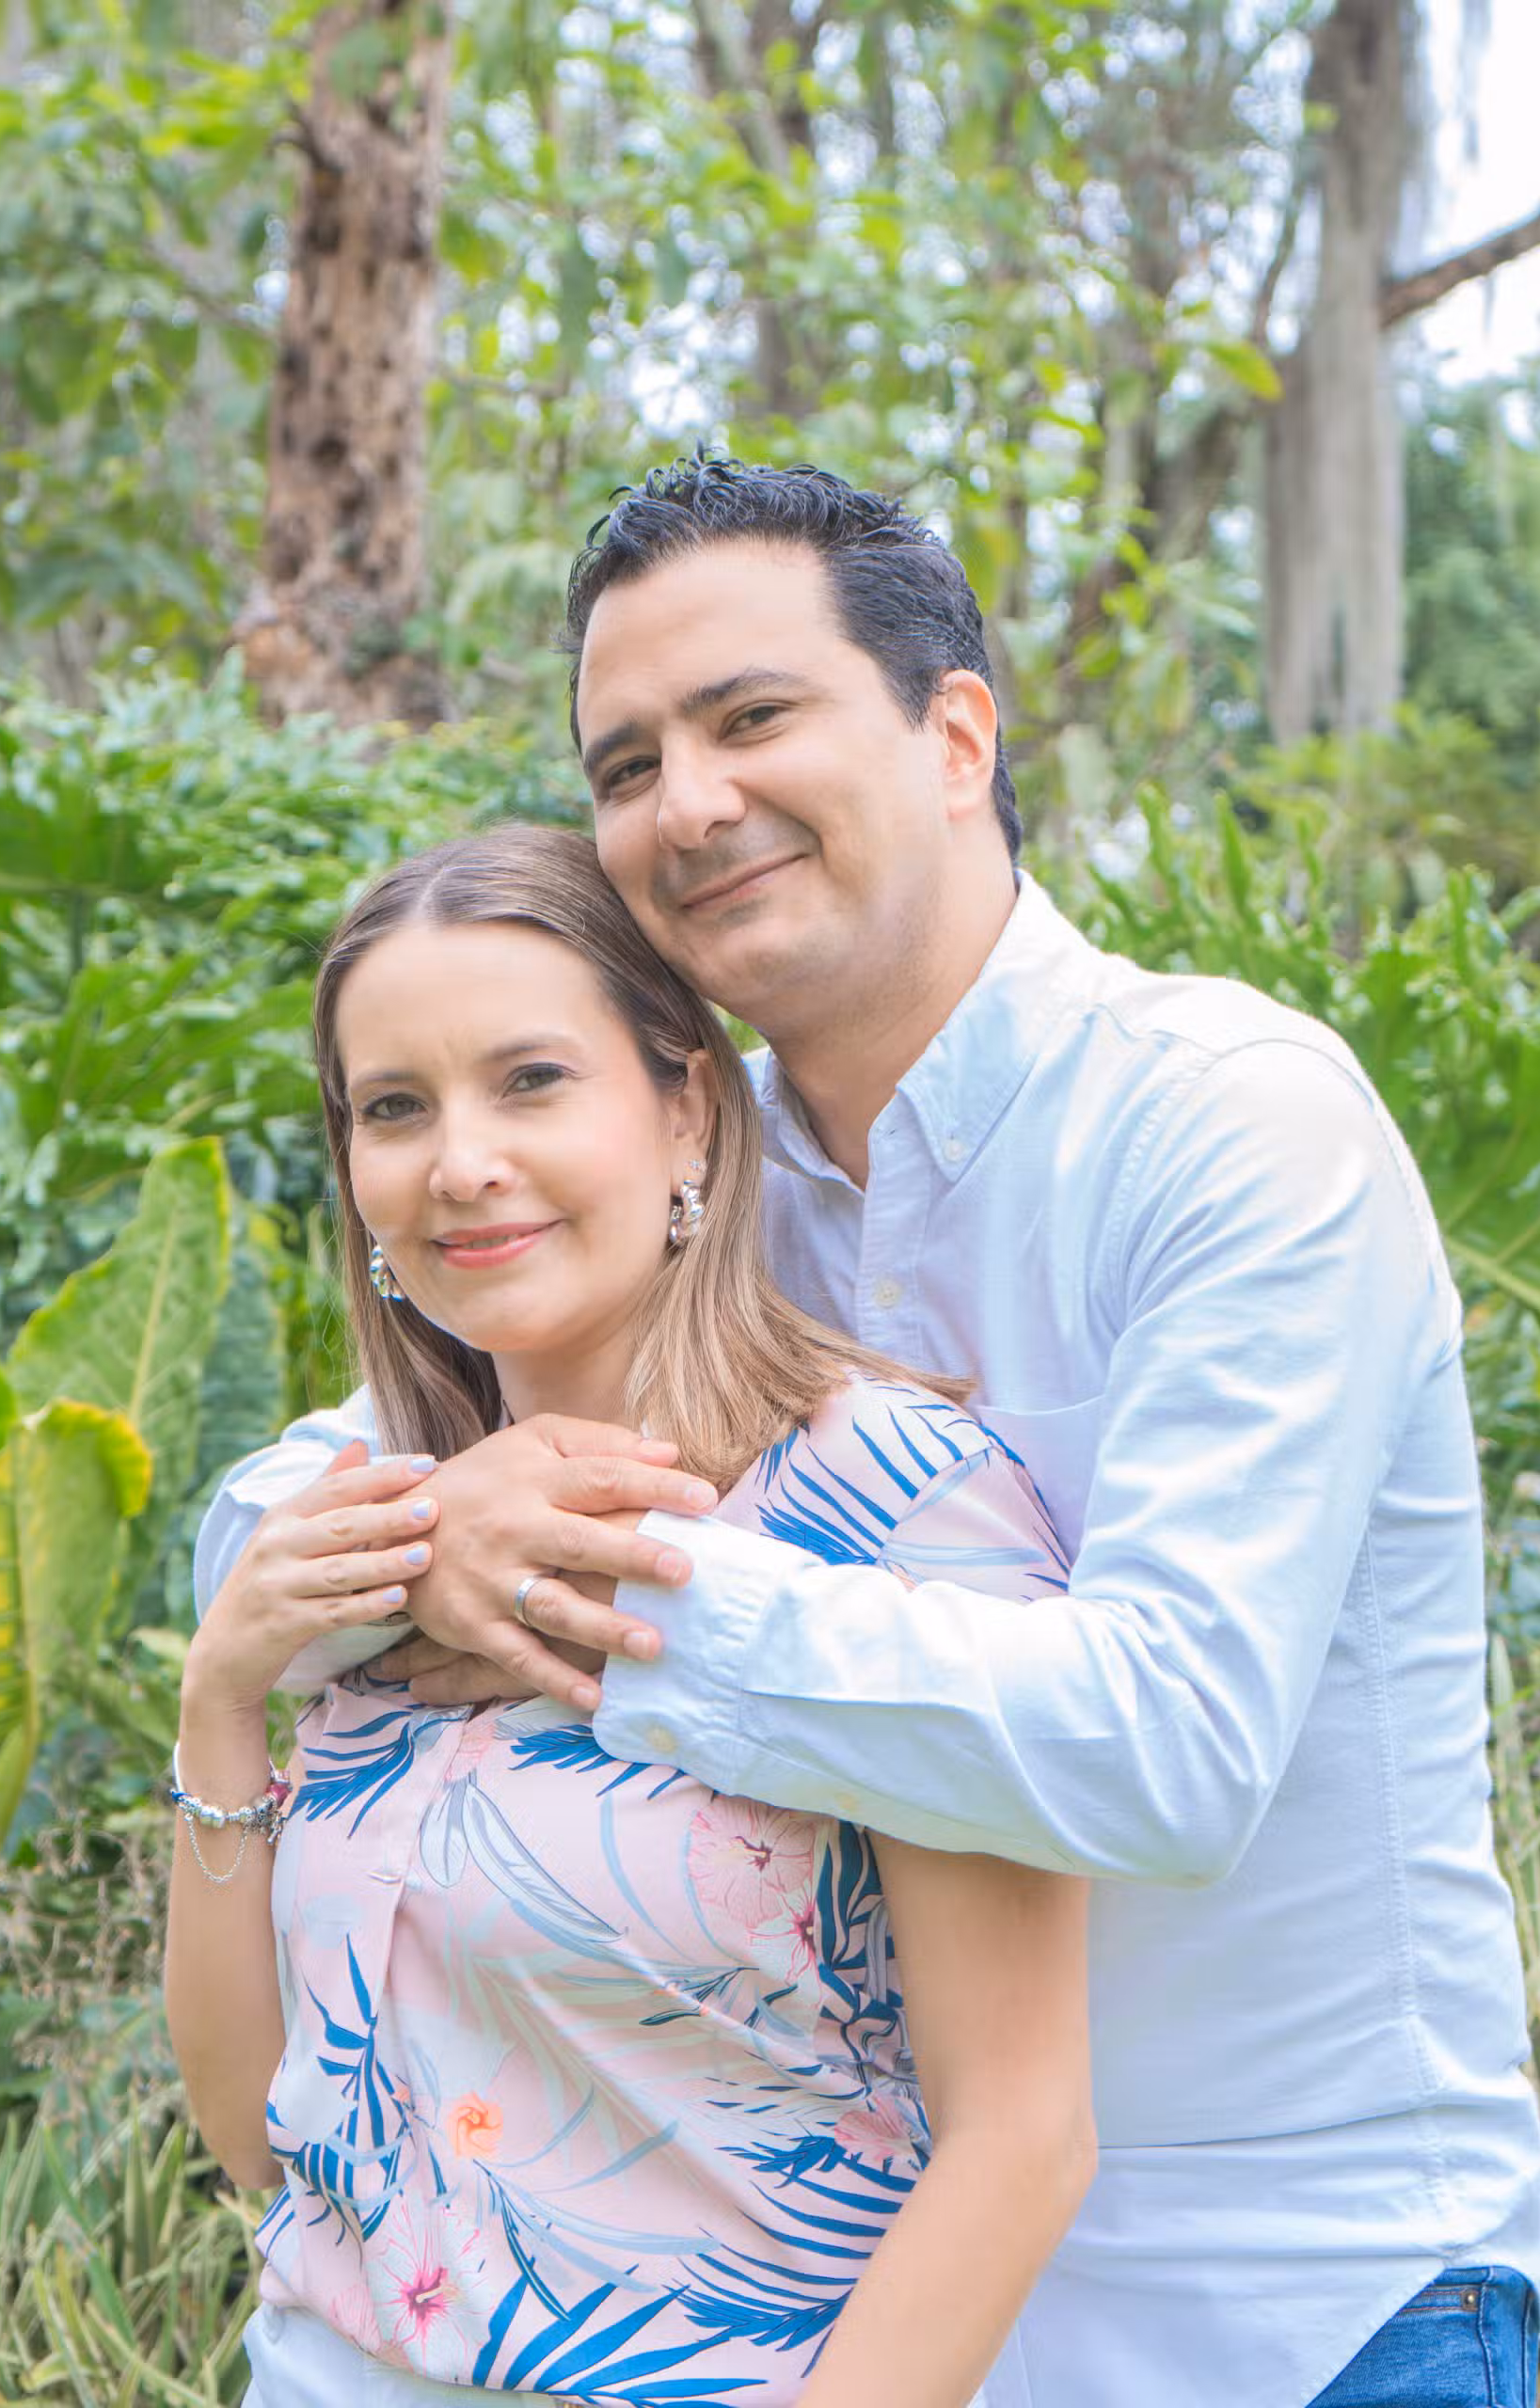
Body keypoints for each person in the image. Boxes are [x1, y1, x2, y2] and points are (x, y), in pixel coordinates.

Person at [198, 459, 1540, 2408]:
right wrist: (431, 1537)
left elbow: (1169, 1743)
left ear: (956, 734)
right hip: (855, 2294)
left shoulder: (1229, 1128)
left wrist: (596, 1597)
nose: (689, 801)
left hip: (1291, 2290)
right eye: (626, 761)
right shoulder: (699, 1167)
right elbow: (278, 1509)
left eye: (751, 716)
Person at [167, 825, 1094, 2408]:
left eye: (530, 1081)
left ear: (687, 1111)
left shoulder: (897, 1512)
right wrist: (223, 1696)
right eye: (394, 1107)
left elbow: (1023, 2136)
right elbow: (254, 2129)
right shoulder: (368, 1525)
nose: (460, 1163)